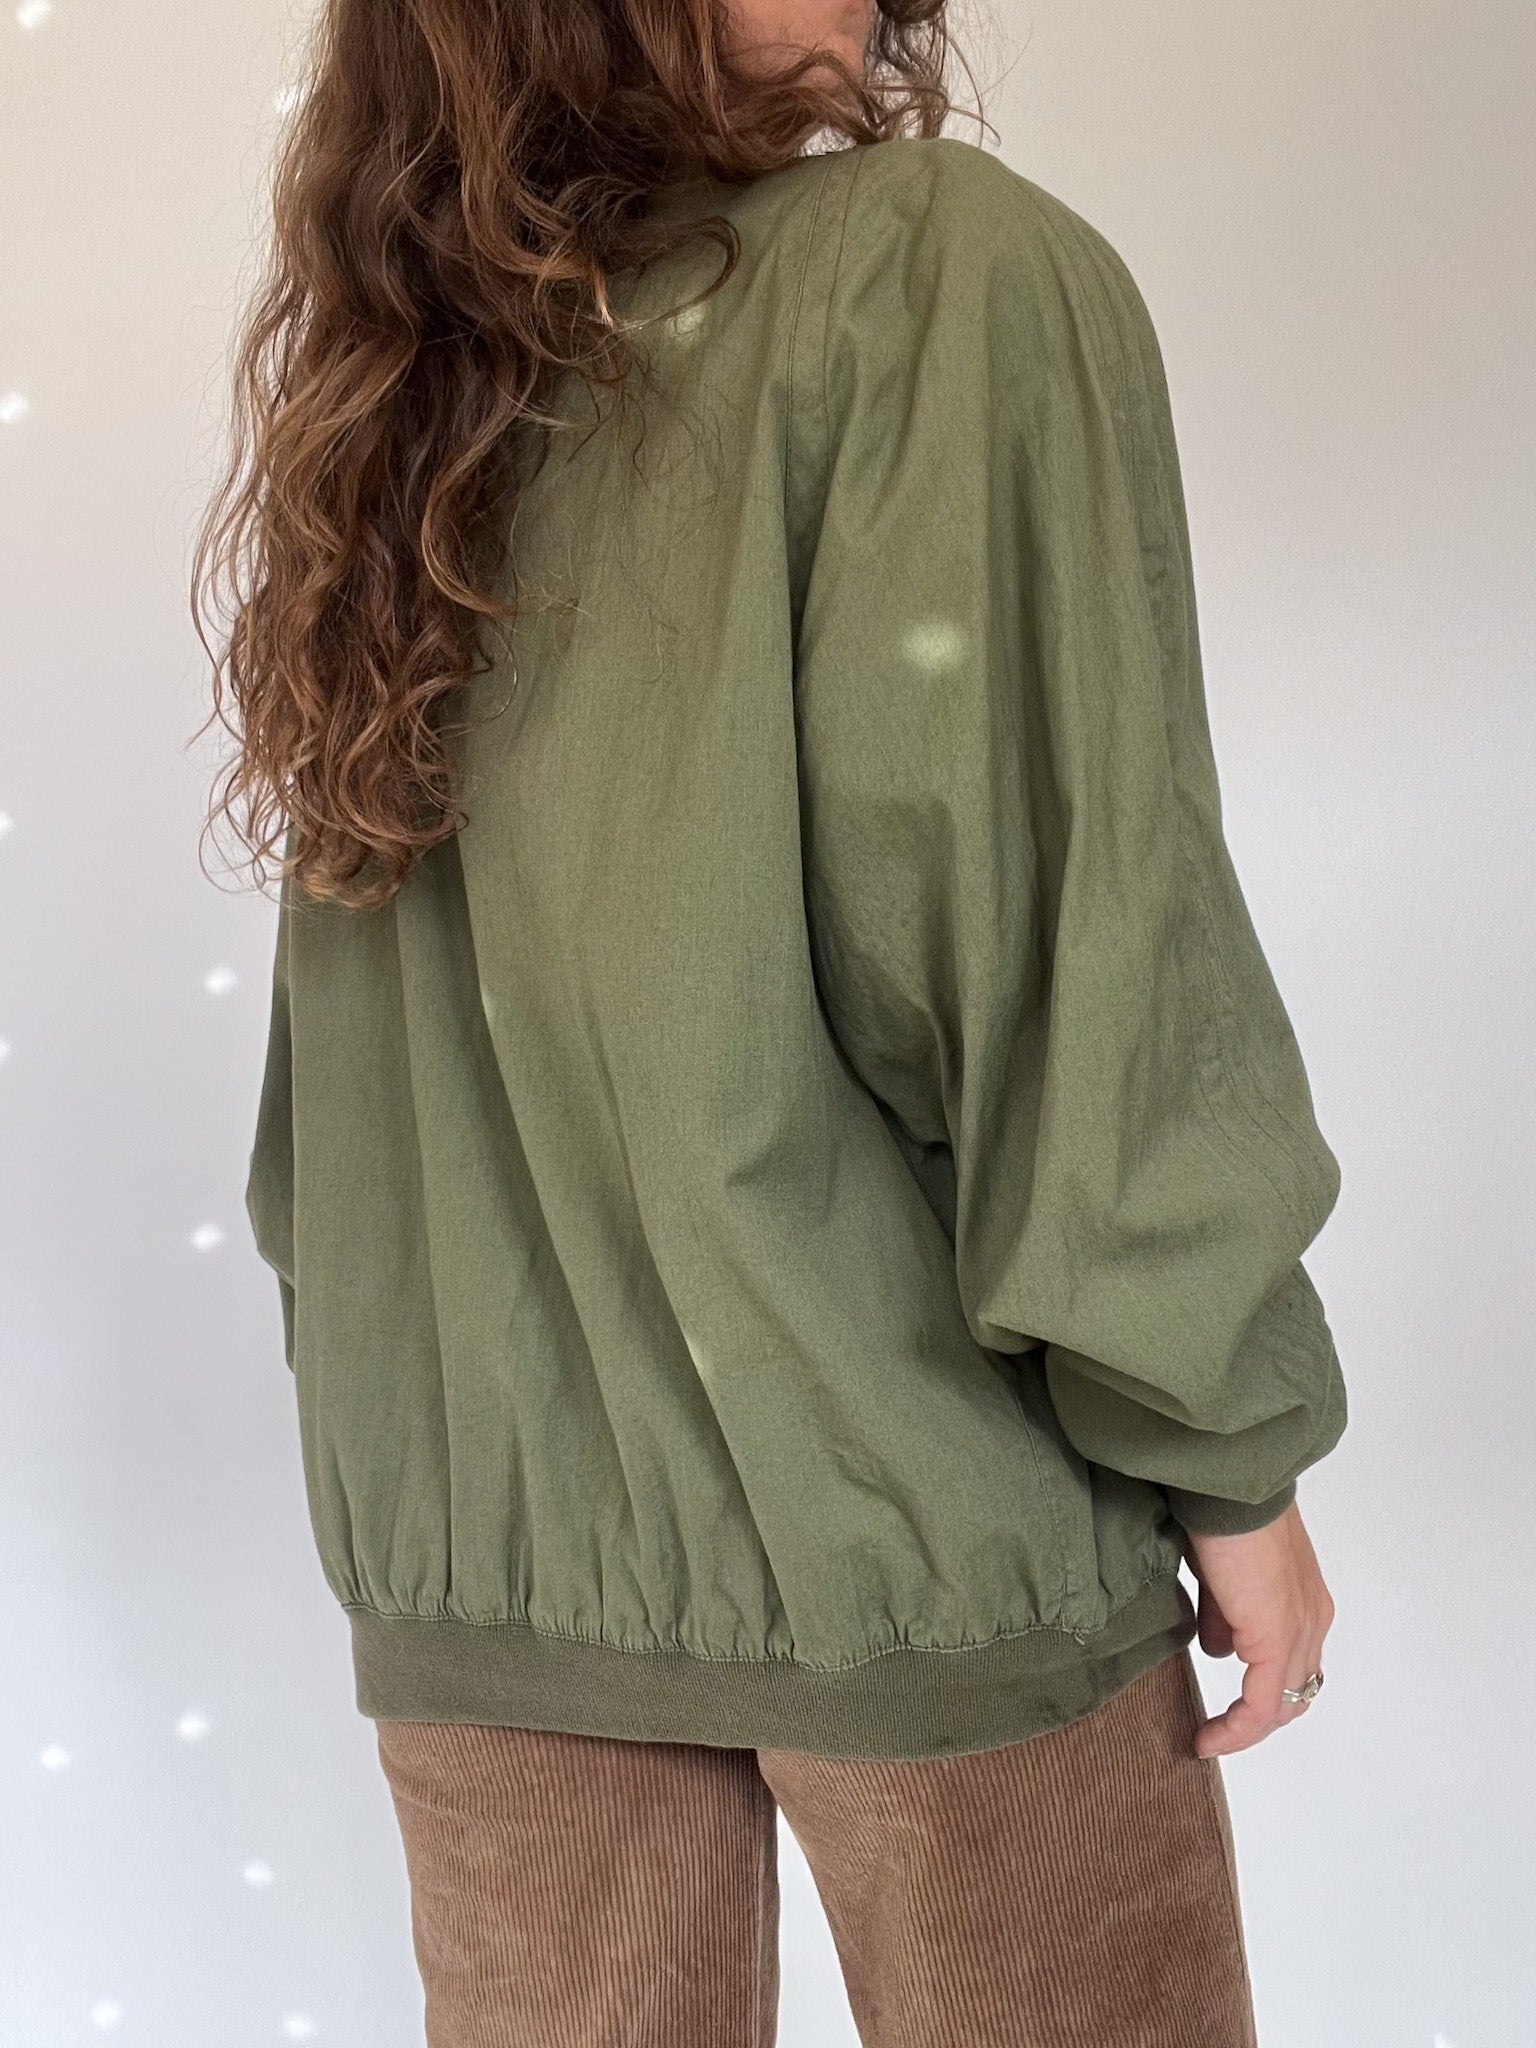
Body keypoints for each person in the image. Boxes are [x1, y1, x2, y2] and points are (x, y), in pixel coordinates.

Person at [193, 0, 1346, 2040]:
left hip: (490, 1544)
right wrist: (1225, 1452)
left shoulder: (407, 378)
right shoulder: (928, 271)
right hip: (915, 1513)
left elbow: (336, 1094)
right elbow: (1044, 927)